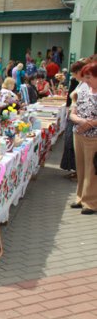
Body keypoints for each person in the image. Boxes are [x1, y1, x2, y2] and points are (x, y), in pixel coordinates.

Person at [69, 61, 97, 215]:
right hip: (78, 133)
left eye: (89, 77)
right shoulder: (84, 88)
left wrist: (91, 123)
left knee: (92, 170)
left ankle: (91, 202)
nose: (86, 80)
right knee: (81, 167)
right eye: (85, 77)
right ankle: (80, 197)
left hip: (94, 137)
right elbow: (74, 108)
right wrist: (79, 120)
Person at [60, 58, 89, 178]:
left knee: (73, 145)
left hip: (78, 118)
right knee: (70, 144)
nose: (73, 76)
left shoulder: (85, 84)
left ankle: (79, 172)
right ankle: (77, 171)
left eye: (74, 73)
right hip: (74, 116)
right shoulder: (81, 83)